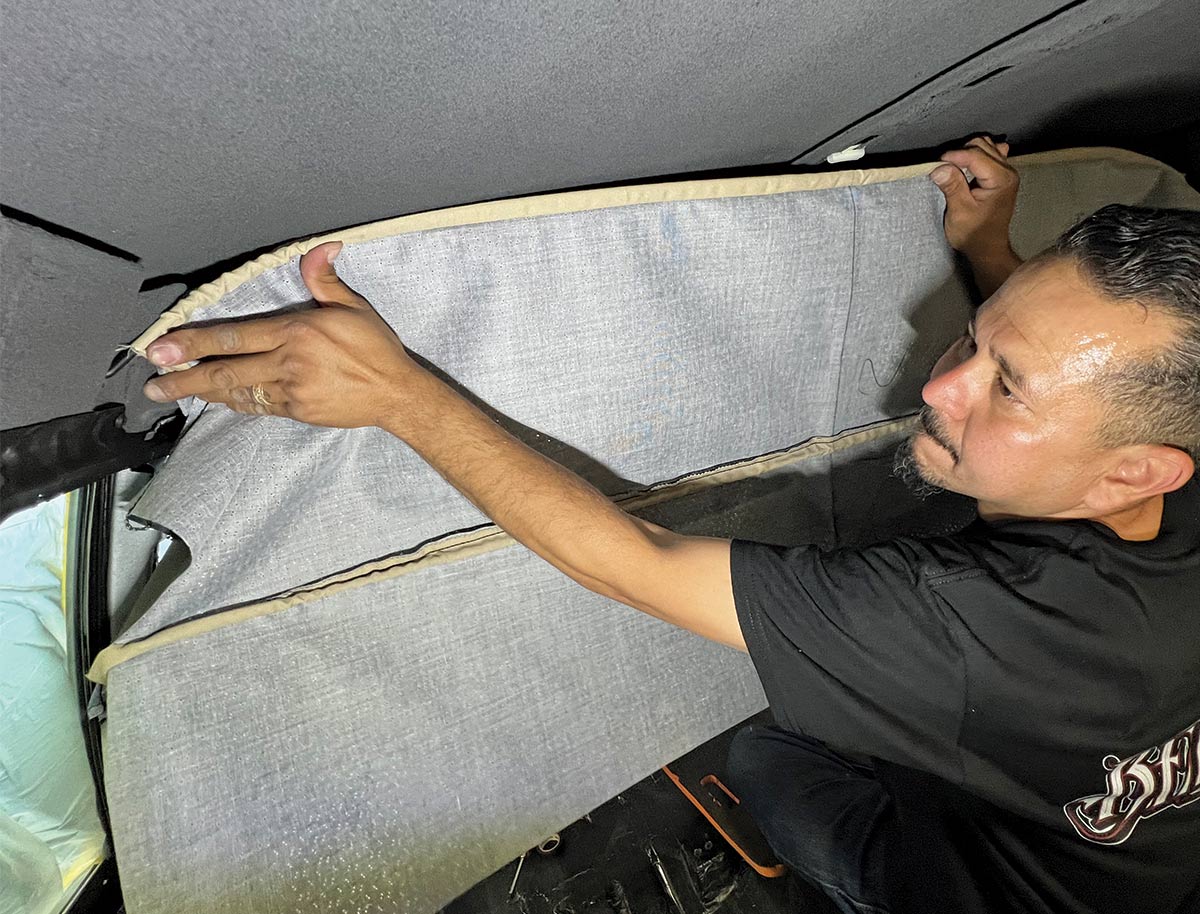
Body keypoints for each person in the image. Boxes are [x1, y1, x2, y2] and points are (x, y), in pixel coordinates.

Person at [139, 139, 1200, 914]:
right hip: (1147, 861)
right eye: (975, 339)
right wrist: (991, 250)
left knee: (773, 756)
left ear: (1135, 472)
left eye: (1005, 389)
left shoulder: (976, 632)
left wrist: (396, 393)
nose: (940, 385)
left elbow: (629, 559)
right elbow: (1091, 385)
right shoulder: (1160, 452)